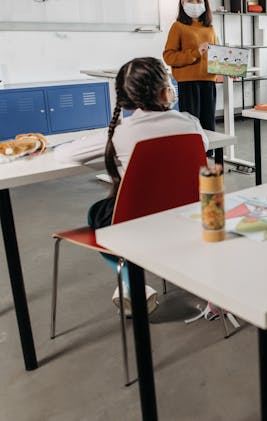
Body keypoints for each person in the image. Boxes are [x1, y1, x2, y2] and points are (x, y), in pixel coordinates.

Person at [55, 57, 208, 314]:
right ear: (165, 90)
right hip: (187, 217)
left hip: (138, 224)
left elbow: (64, 155)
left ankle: (131, 283)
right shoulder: (190, 123)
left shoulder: (121, 133)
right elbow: (200, 148)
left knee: (98, 212)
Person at [163, 0, 218, 134]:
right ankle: (194, 155)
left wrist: (227, 69)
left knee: (209, 125)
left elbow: (216, 56)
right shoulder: (178, 26)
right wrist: (195, 53)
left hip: (209, 82)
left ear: (205, 3)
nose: (195, 4)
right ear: (182, 3)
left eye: (199, 1)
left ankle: (209, 156)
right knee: (192, 126)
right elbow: (169, 56)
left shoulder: (210, 28)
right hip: (188, 83)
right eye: (190, 0)